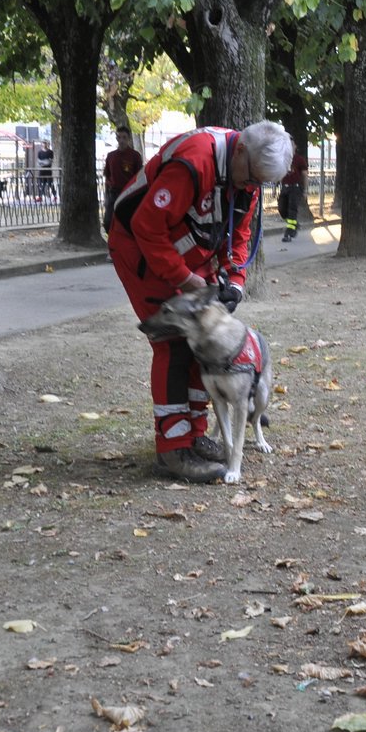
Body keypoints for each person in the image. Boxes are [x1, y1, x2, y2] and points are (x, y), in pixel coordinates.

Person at [109, 120, 294, 483]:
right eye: (251, 178)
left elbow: (239, 233)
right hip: (142, 253)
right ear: (240, 149)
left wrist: (235, 282)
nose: (251, 188)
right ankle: (173, 450)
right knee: (175, 342)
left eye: (259, 184)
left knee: (207, 343)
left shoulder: (246, 173)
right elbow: (147, 227)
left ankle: (194, 434)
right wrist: (185, 279)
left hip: (189, 256)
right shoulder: (195, 161)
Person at [101, 125, 143, 235]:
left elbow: (139, 177)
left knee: (128, 221)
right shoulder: (111, 156)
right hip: (113, 193)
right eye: (119, 137)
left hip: (129, 194)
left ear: (129, 139)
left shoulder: (135, 156)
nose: (122, 140)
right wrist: (107, 196)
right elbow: (107, 176)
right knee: (108, 222)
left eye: (124, 137)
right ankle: (113, 241)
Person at [277, 148, 308, 242]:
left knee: (292, 210)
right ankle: (295, 224)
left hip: (295, 187)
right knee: (282, 209)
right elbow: (279, 173)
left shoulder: (299, 159)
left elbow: (305, 175)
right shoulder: (283, 159)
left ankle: (289, 233)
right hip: (285, 187)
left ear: (295, 147)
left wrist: (305, 190)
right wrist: (276, 187)